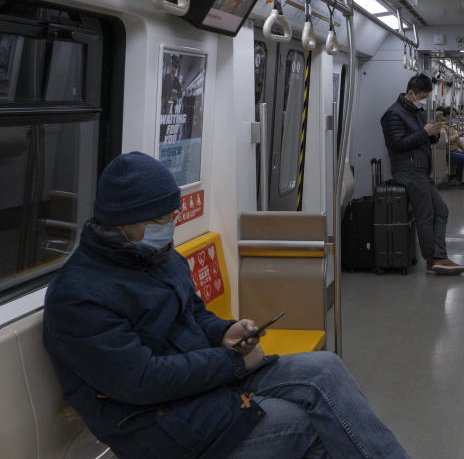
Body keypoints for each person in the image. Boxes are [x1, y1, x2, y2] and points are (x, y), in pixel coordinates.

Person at [43, 151, 409, 459]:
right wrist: (232, 362)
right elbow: (140, 381)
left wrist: (223, 332)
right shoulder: (79, 296)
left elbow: (194, 314)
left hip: (206, 384)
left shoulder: (159, 258)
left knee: (325, 370)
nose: (170, 226)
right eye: (159, 219)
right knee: (309, 423)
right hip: (157, 422)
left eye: (173, 215)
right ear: (120, 222)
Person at [381, 75, 464, 275]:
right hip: (407, 170)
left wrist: (434, 135)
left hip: (420, 170)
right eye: (422, 96)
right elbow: (396, 144)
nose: (424, 100)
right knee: (425, 215)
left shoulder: (416, 113)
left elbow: (423, 138)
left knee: (442, 210)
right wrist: (424, 134)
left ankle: (438, 256)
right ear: (411, 93)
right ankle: (434, 260)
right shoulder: (393, 115)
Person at [437, 107, 464, 186]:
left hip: (453, 151)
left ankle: (457, 179)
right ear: (448, 115)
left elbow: (458, 141)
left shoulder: (450, 127)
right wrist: (457, 135)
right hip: (447, 153)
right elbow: (445, 140)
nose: (454, 118)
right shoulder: (442, 127)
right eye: (453, 116)